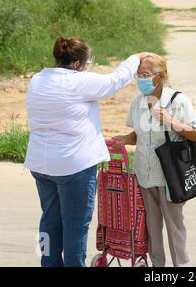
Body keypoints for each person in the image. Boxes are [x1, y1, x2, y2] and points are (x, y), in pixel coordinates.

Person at [24, 36, 153, 267]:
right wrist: (135, 58)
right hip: (73, 166)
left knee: (49, 222)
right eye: (88, 62)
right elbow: (115, 81)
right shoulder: (78, 82)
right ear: (76, 64)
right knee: (75, 226)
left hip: (41, 164)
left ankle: (48, 263)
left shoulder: (37, 80)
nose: (88, 66)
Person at [113, 55, 196, 267]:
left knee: (175, 227)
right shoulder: (137, 102)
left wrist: (171, 121)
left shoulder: (178, 101)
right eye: (138, 75)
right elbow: (137, 135)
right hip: (144, 174)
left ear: (159, 76)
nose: (140, 80)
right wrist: (124, 140)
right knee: (151, 228)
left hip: (169, 176)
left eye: (145, 75)